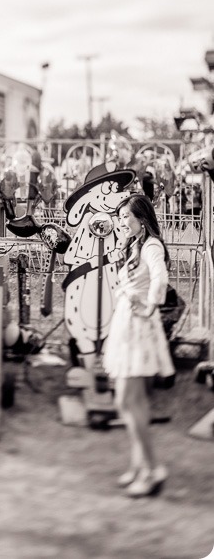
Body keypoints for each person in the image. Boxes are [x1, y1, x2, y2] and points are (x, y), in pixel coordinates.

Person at [102, 193, 175, 498]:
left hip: (138, 327)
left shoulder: (152, 245)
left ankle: (153, 469)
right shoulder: (133, 245)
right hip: (125, 322)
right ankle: (138, 464)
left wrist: (149, 306)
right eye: (120, 217)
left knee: (128, 401)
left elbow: (160, 278)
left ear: (142, 219)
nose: (122, 222)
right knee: (130, 402)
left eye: (127, 217)